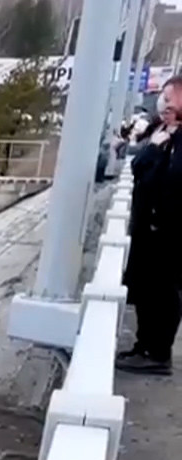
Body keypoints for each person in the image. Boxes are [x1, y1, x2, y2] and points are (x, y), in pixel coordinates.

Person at [120, 75, 182, 377]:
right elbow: (137, 166)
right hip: (149, 226)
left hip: (170, 231)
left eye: (170, 99)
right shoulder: (162, 130)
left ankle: (158, 354)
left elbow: (173, 179)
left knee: (164, 292)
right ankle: (143, 346)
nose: (165, 105)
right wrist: (154, 148)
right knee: (145, 290)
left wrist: (157, 153)